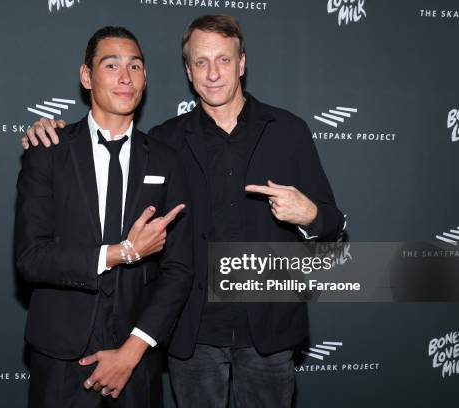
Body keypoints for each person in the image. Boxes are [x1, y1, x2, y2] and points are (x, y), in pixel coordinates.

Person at [22, 15, 344, 408]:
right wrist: (48, 132)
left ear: (242, 64)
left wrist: (309, 215)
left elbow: (333, 229)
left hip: (271, 333)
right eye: (201, 62)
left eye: (224, 60)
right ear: (188, 72)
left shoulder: (289, 131)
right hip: (191, 336)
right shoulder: (164, 142)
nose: (213, 74)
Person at [15, 26, 193, 408]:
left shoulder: (165, 159)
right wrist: (121, 252)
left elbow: (179, 269)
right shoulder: (48, 151)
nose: (125, 77)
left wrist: (133, 350)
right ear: (86, 76)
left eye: (135, 66)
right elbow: (31, 258)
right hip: (61, 356)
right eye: (111, 65)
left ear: (145, 78)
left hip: (137, 360)